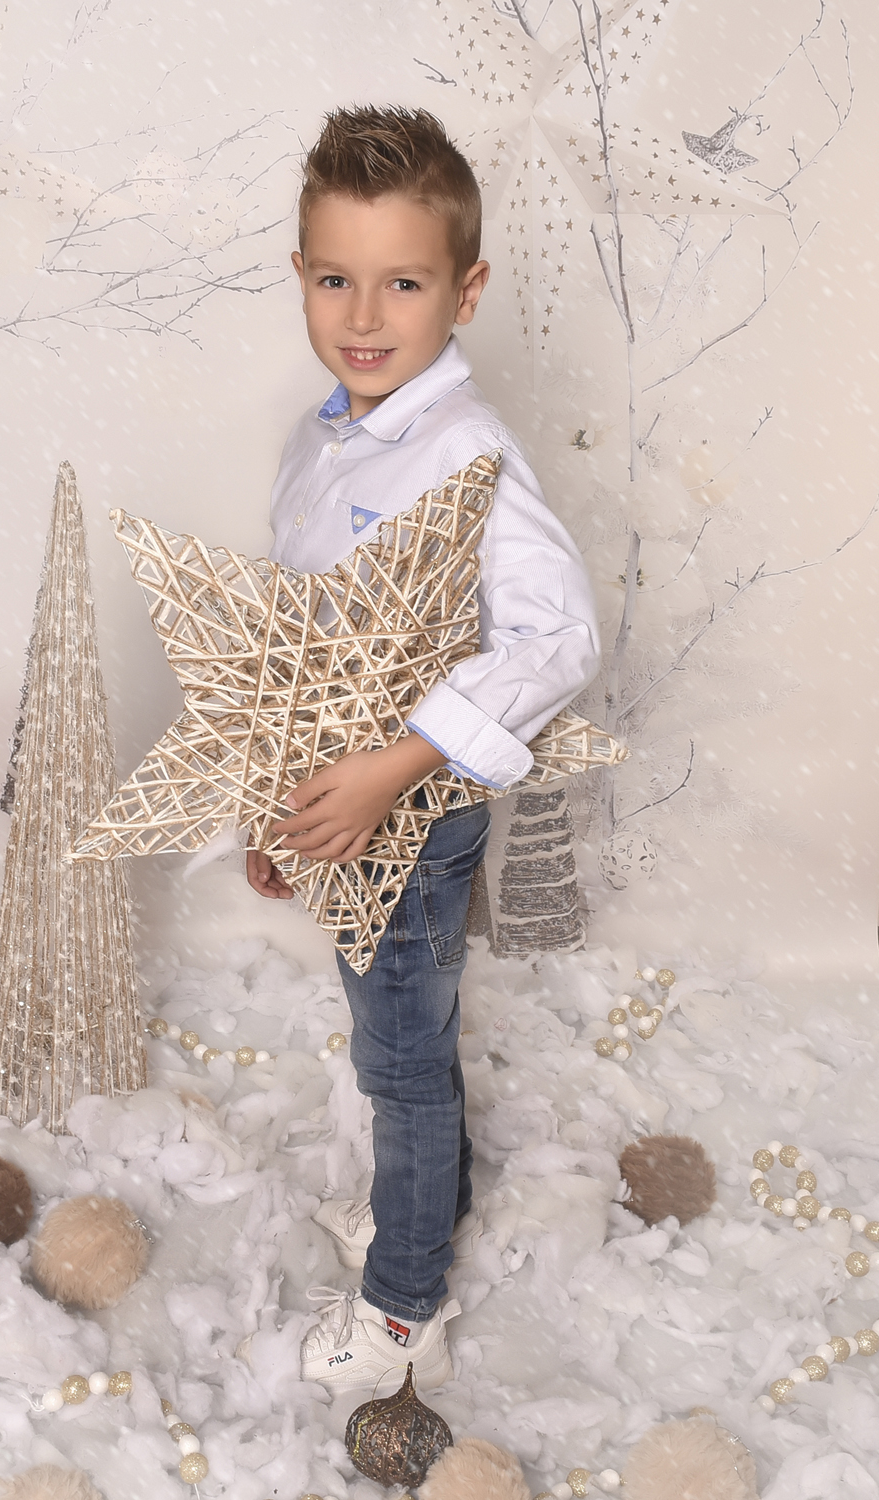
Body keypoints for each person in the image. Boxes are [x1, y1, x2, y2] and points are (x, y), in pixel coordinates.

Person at [245, 106, 600, 1394]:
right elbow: (308, 644)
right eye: (336, 278)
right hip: (340, 808)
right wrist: (281, 813)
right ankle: (425, 1198)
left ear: (467, 289)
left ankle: (404, 1304)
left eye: (403, 282)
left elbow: (558, 637)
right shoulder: (321, 436)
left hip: (415, 812)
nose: (364, 314)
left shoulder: (467, 452)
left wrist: (397, 766)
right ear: (299, 274)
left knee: (400, 1061)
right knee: (394, 1031)